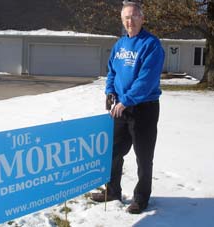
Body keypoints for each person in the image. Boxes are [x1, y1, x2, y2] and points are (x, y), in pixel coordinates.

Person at [90, 1, 165, 214]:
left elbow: (146, 80)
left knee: (143, 156)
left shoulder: (151, 45)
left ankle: (141, 199)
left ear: (142, 18)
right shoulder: (120, 45)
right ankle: (112, 191)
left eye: (133, 17)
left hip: (144, 109)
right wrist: (109, 91)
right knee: (113, 152)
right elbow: (112, 70)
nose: (129, 22)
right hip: (121, 108)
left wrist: (126, 100)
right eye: (125, 18)